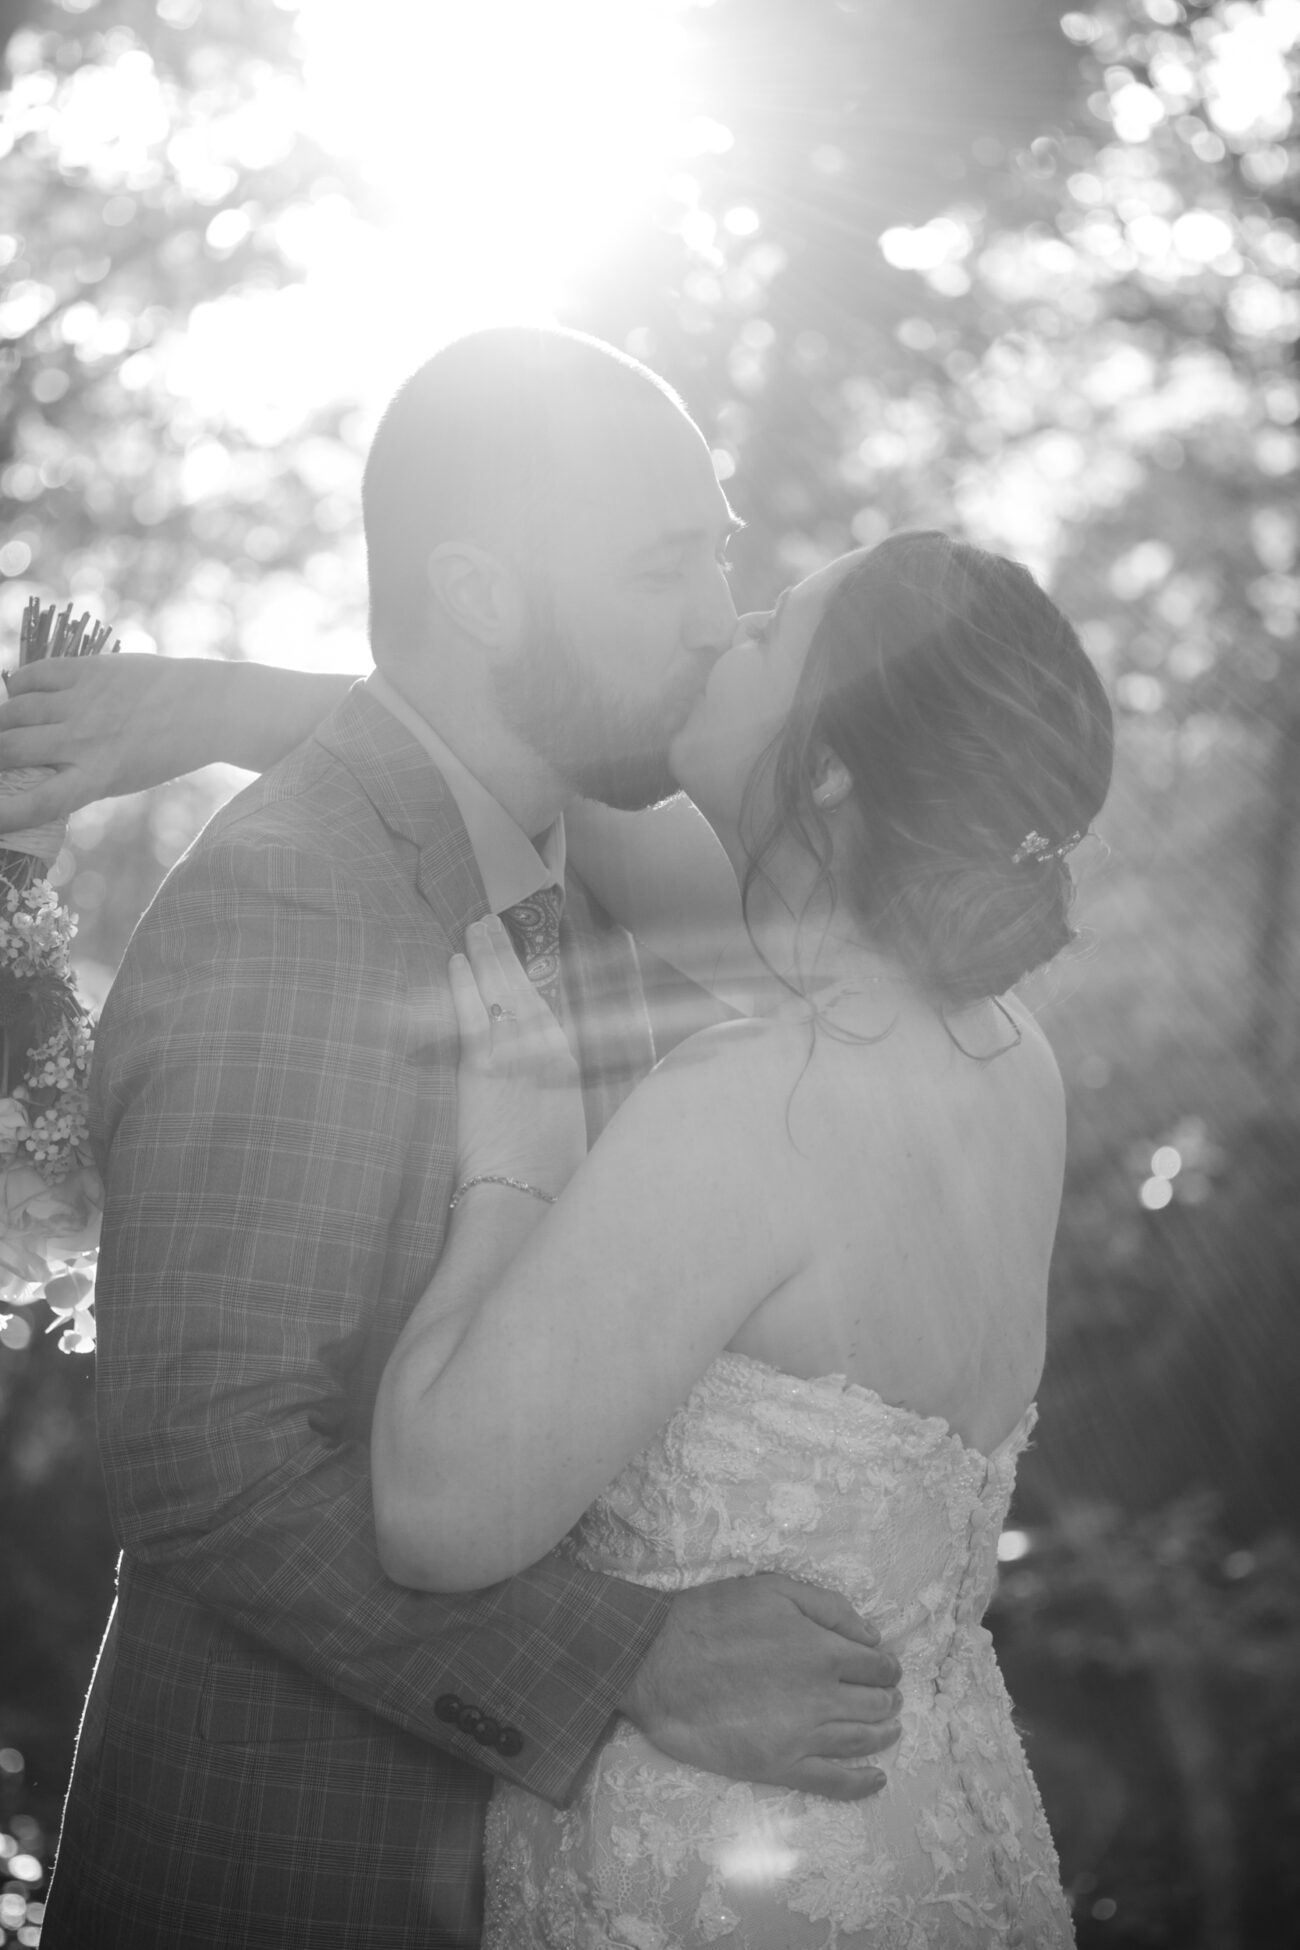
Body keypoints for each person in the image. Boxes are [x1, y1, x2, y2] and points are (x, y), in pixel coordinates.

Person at [4, 524, 1114, 1945]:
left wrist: (514, 1162)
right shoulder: (1004, 1051)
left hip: (708, 1873)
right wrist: (206, 709)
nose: (724, 627)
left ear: (830, 760)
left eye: (772, 624)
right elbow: (498, 762)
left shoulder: (749, 1107)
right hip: (931, 1839)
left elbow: (434, 1508)